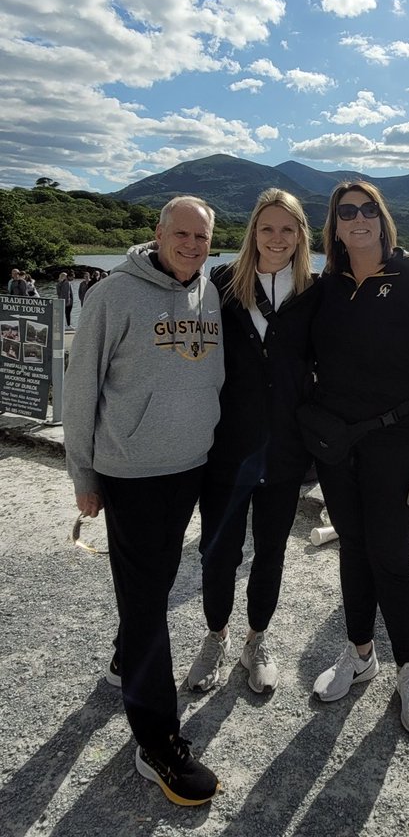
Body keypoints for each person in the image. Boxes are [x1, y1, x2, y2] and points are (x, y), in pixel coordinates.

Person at [63, 196, 225, 807]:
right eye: (180, 234)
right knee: (147, 597)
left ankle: (122, 662)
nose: (190, 245)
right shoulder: (112, 296)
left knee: (151, 586)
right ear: (157, 234)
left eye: (201, 237)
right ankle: (155, 741)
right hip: (129, 472)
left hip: (190, 468)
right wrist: (83, 472)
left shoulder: (210, 292)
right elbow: (79, 392)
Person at [306, 181, 409, 735]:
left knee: (392, 557)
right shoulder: (326, 286)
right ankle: (360, 655)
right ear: (336, 225)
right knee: (352, 548)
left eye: (369, 209)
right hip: (337, 446)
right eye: (347, 212)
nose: (359, 219)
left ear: (382, 217)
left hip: (398, 442)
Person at [187, 188, 319, 694]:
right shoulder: (220, 282)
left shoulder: (316, 290)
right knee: (218, 552)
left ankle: (255, 639)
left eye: (288, 229)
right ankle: (215, 636)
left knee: (270, 551)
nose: (277, 238)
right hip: (226, 447)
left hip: (286, 451)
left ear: (301, 235)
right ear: (253, 233)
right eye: (267, 228)